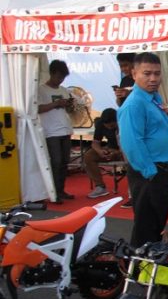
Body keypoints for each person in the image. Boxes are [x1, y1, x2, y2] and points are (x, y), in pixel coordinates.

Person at [117, 52, 168, 247]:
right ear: (134, 74)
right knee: (146, 227)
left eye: (157, 73)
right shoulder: (134, 104)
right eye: (147, 73)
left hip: (161, 172)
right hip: (150, 173)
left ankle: (151, 260)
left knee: (156, 224)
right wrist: (150, 172)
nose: (153, 79)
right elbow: (132, 143)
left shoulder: (153, 97)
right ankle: (139, 263)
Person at [37, 59, 75, 203]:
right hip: (51, 131)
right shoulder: (41, 90)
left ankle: (61, 190)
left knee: (64, 162)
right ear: (51, 74)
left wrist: (70, 105)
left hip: (65, 129)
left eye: (63, 77)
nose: (60, 80)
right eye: (59, 77)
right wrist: (56, 103)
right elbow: (38, 108)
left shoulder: (64, 90)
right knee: (56, 162)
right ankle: (53, 192)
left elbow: (70, 110)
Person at [84, 108, 123, 198]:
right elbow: (95, 143)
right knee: (89, 156)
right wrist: (100, 151)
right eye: (107, 126)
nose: (109, 128)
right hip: (111, 148)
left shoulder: (124, 124)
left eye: (112, 126)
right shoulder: (100, 124)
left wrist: (118, 152)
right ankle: (100, 187)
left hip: (126, 150)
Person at [113, 53, 136, 207]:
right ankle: (133, 194)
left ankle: (138, 194)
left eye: (126, 65)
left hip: (139, 125)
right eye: (121, 66)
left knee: (138, 161)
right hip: (126, 124)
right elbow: (120, 104)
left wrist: (130, 93)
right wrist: (119, 96)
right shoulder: (125, 80)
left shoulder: (141, 79)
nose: (124, 69)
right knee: (130, 162)